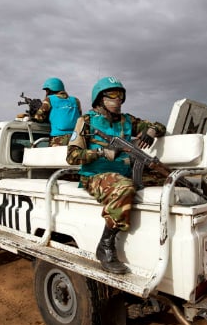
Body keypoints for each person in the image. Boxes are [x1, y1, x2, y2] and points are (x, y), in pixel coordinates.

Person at [66, 76, 166, 274]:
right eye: (112, 95)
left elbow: (160, 125)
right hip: (95, 175)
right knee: (124, 188)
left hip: (126, 171)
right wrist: (101, 153)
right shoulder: (86, 121)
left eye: (121, 95)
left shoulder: (128, 120)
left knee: (169, 179)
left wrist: (152, 130)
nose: (118, 99)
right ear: (100, 99)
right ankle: (105, 246)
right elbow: (72, 156)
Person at [33, 77, 82, 146]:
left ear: (50, 90)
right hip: (76, 138)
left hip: (58, 138)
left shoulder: (49, 99)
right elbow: (79, 116)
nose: (46, 93)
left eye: (47, 90)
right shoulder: (76, 100)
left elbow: (38, 117)